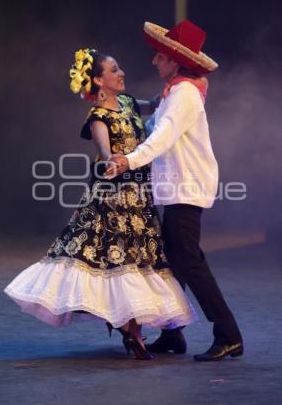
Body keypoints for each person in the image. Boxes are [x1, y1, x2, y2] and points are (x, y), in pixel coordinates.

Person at [4, 48, 197, 360]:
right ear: (98, 80)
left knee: (140, 261)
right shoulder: (97, 118)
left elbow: (160, 108)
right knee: (116, 262)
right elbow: (107, 154)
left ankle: (138, 331)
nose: (121, 73)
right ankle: (131, 331)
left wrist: (180, 81)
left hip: (140, 199)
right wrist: (112, 163)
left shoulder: (128, 102)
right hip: (111, 201)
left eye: (120, 68)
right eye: (114, 70)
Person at [106, 20, 244, 361]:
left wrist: (129, 161)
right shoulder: (175, 92)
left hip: (186, 188)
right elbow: (152, 119)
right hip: (177, 188)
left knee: (189, 261)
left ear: (175, 61)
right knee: (174, 261)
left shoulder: (183, 95)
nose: (155, 62)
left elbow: (160, 137)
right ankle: (172, 333)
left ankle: (228, 334)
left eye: (160, 57)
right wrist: (121, 103)